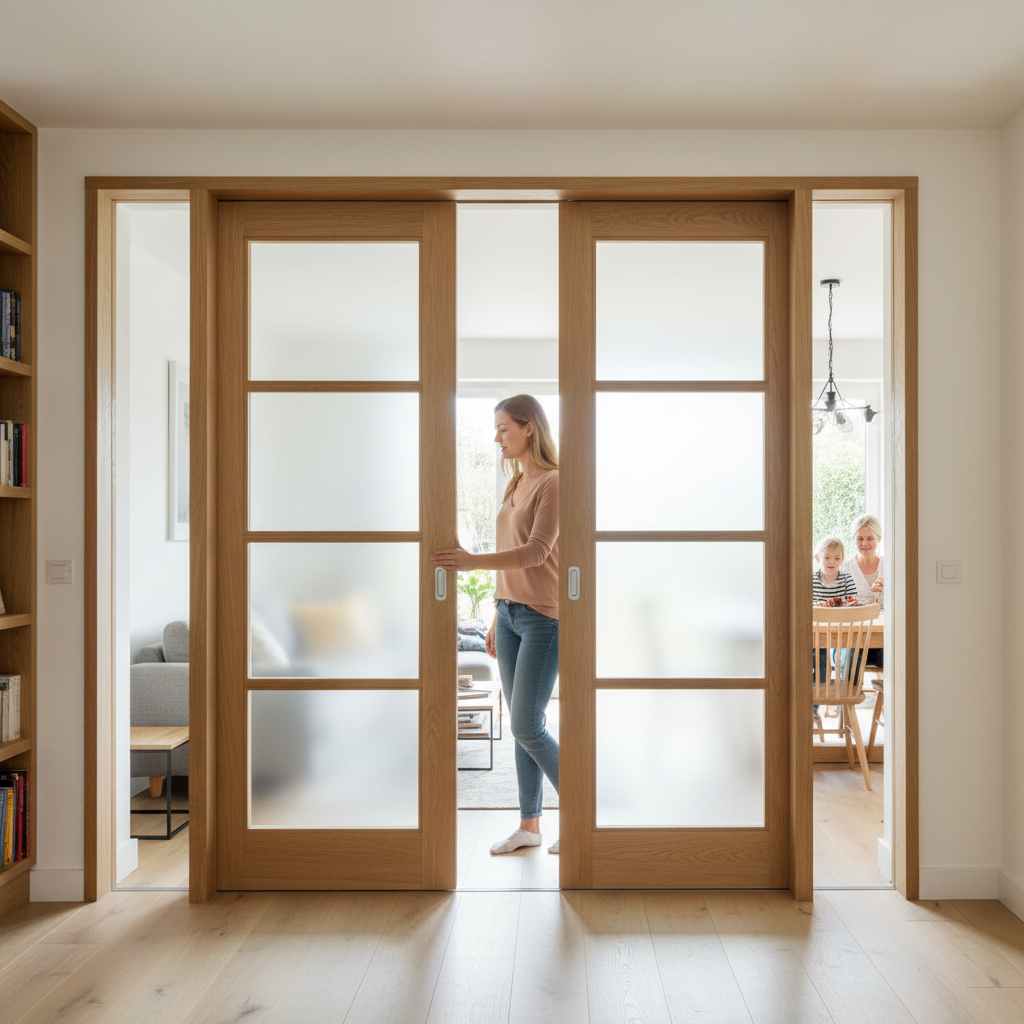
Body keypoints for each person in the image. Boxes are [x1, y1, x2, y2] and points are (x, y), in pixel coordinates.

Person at [432, 395, 560, 856]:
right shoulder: (515, 484)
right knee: (521, 726)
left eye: (504, 428)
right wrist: (493, 614)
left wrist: (468, 562)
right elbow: (511, 564)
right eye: (496, 428)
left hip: (544, 616)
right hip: (508, 615)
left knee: (527, 724)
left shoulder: (553, 482)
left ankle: (587, 812)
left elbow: (536, 553)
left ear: (529, 428)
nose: (496, 437)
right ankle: (529, 825)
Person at [843, 514, 884, 668]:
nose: (864, 543)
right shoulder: (845, 568)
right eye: (860, 538)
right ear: (854, 540)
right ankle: (851, 693)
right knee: (851, 660)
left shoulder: (890, 566)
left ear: (878, 538)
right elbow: (836, 604)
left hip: (882, 639)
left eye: (870, 538)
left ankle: (892, 693)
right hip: (851, 640)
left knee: (895, 659)